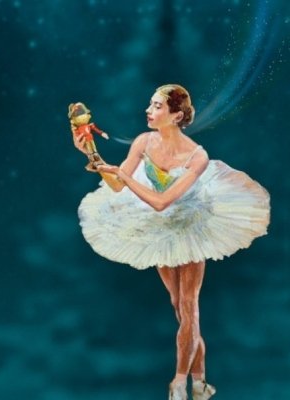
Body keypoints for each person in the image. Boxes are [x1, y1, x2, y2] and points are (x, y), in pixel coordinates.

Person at [73, 84, 270, 400]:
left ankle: (179, 384)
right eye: (150, 104)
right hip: (161, 229)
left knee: (189, 305)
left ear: (176, 115)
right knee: (179, 307)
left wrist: (126, 177)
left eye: (157, 106)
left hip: (189, 224)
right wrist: (91, 154)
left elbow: (162, 201)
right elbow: (117, 185)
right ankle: (201, 383)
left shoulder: (197, 156)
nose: (148, 111)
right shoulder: (144, 141)